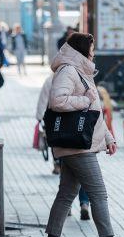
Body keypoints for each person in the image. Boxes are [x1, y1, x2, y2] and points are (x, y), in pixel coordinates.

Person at [40, 33, 124, 237]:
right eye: (92, 48)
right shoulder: (68, 70)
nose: (94, 52)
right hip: (76, 146)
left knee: (66, 195)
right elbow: (58, 101)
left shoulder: (81, 71)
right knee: (98, 193)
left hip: (78, 144)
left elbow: (93, 113)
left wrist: (107, 137)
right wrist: (84, 101)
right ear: (83, 49)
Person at [36, 73, 91, 220]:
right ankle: (84, 204)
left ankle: (67, 207)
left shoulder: (51, 80)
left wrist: (41, 120)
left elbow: (43, 103)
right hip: (80, 132)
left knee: (66, 171)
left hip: (59, 131)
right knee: (84, 172)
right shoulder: (83, 79)